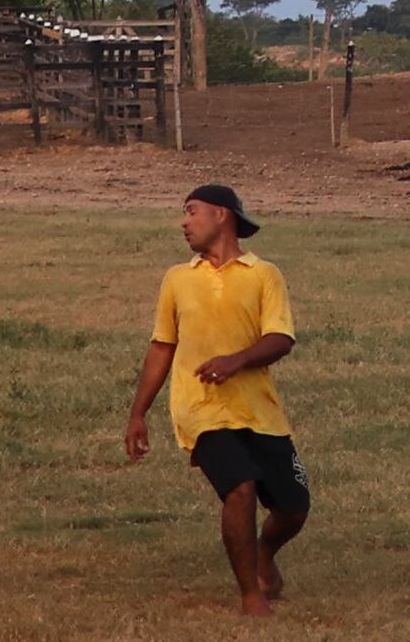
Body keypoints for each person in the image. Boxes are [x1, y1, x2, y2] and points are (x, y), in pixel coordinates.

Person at [125, 183, 307, 619]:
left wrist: (237, 360)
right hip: (200, 409)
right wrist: (138, 414)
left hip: (261, 411)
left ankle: (264, 551)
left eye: (192, 211)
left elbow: (281, 339)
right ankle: (251, 596)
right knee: (240, 491)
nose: (184, 222)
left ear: (221, 215)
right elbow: (162, 347)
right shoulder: (177, 278)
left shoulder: (264, 274)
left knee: (293, 508)